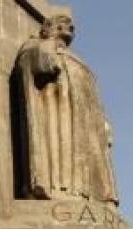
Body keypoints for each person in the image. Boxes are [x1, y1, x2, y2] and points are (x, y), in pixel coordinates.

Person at [14, 13, 117, 203]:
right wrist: (47, 47)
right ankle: (57, 189)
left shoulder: (78, 60)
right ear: (45, 29)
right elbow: (39, 65)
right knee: (58, 144)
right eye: (58, 25)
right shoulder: (36, 46)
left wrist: (103, 122)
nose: (67, 28)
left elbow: (93, 97)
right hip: (55, 109)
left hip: (82, 121)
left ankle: (90, 192)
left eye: (69, 26)